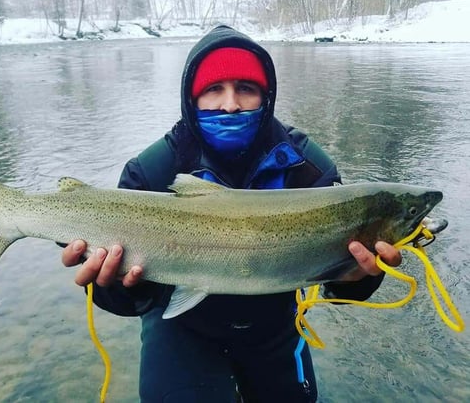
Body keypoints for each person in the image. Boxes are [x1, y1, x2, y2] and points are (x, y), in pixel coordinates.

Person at [62, 25, 402, 402]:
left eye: (245, 88)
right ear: (191, 99)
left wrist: (357, 279)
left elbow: (336, 289)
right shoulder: (152, 171)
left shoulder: (308, 170)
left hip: (275, 326)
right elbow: (130, 301)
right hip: (180, 328)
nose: (230, 104)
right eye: (213, 89)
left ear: (266, 96)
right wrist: (108, 286)